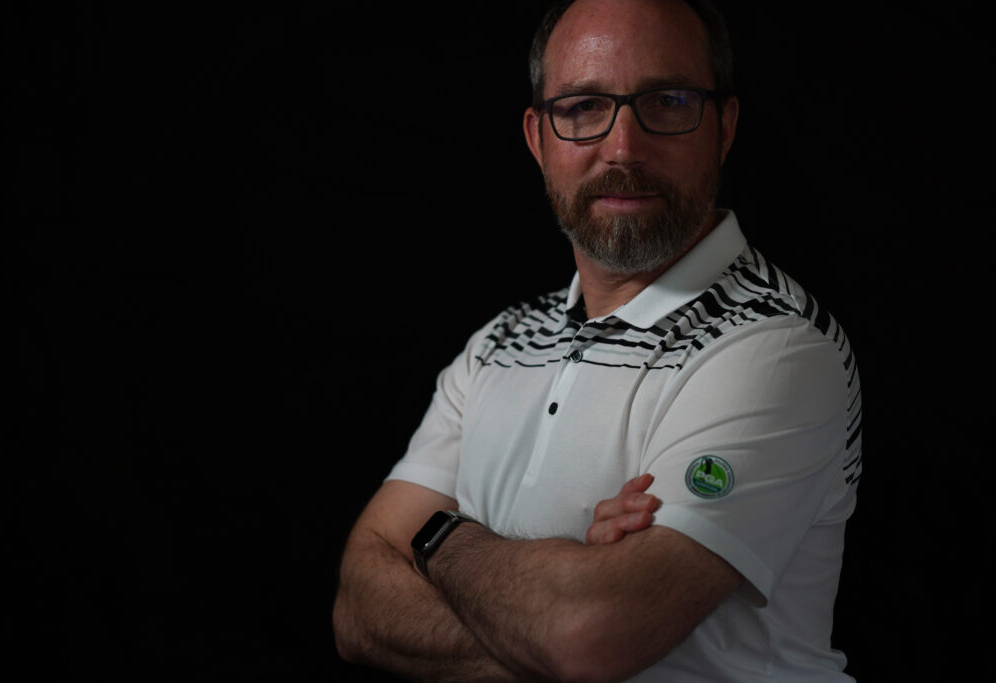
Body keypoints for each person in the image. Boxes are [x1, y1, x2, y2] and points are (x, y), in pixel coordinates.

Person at [333, 0, 862, 680]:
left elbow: (585, 636)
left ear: (724, 127)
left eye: (667, 101)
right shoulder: (499, 344)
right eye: (583, 107)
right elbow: (358, 604)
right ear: (538, 138)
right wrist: (556, 601)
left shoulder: (775, 348)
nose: (623, 148)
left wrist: (441, 540)